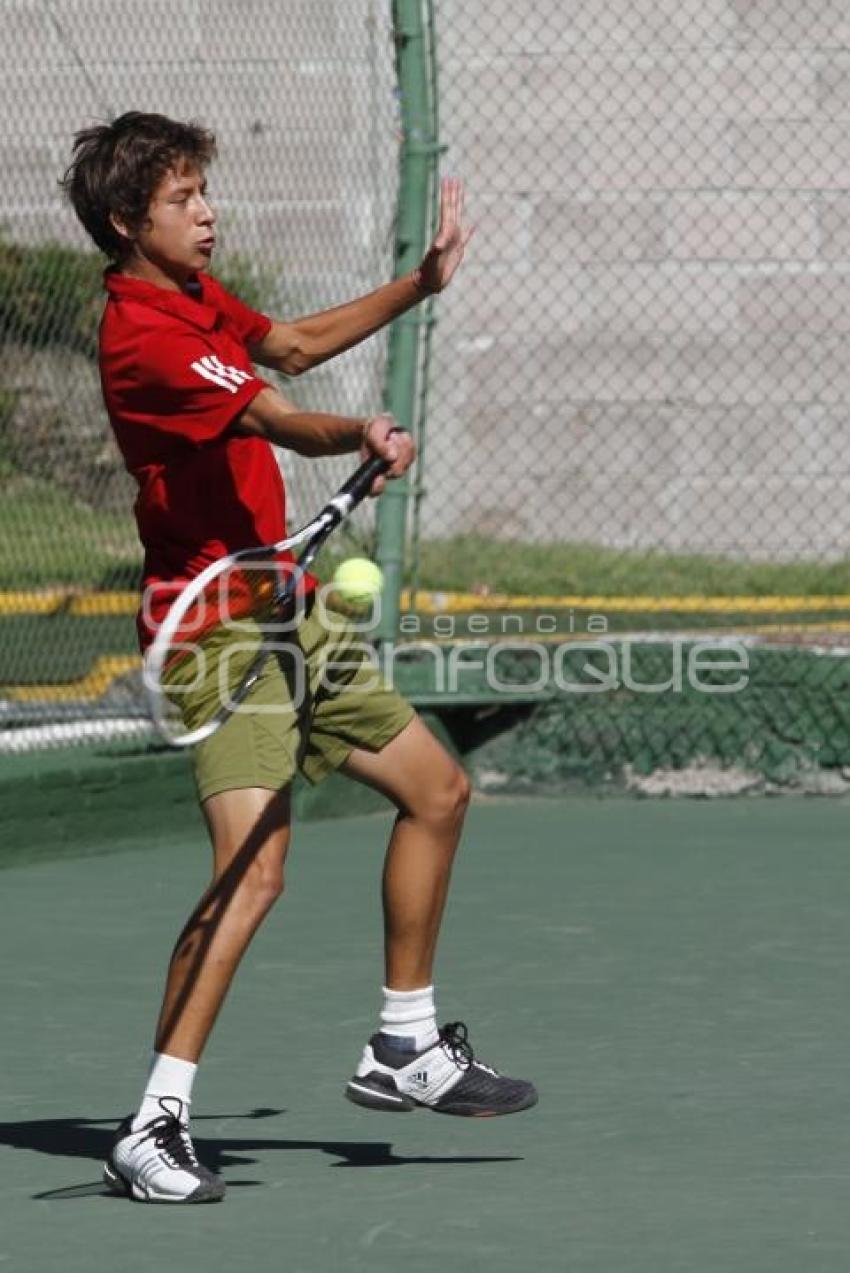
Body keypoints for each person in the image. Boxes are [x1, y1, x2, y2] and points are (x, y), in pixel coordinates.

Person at [61, 111, 537, 1205]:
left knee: (437, 787)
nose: (208, 212)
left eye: (202, 192)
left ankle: (404, 1044)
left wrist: (419, 283)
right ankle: (152, 1122)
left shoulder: (194, 298)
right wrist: (360, 436)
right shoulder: (142, 332)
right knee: (253, 872)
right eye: (183, 200)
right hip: (216, 634)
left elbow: (289, 345)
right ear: (129, 223)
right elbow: (278, 414)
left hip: (288, 606)